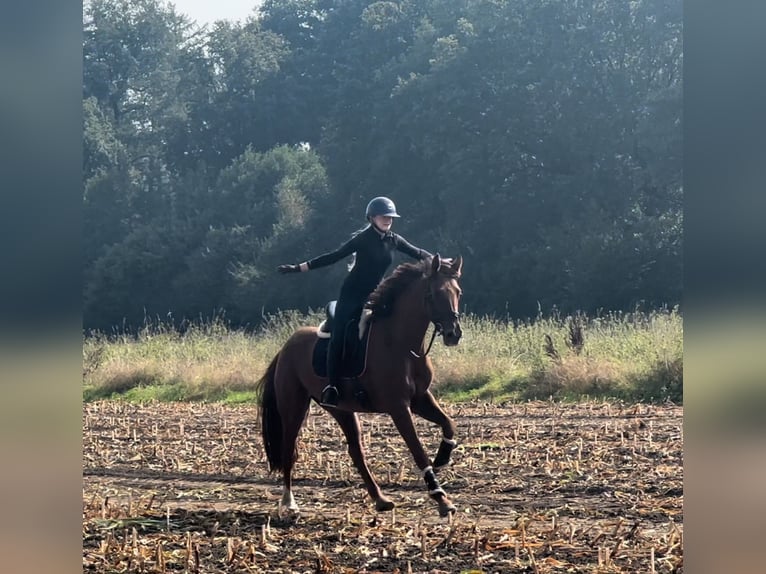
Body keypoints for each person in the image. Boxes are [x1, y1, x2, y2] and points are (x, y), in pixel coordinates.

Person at [278, 196, 432, 407]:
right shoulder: (363, 239)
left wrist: (441, 262)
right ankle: (332, 386)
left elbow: (419, 253)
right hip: (351, 296)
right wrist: (299, 268)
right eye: (383, 216)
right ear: (372, 218)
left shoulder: (393, 240)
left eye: (390, 217)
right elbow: (334, 256)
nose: (388, 220)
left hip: (376, 295)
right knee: (341, 335)